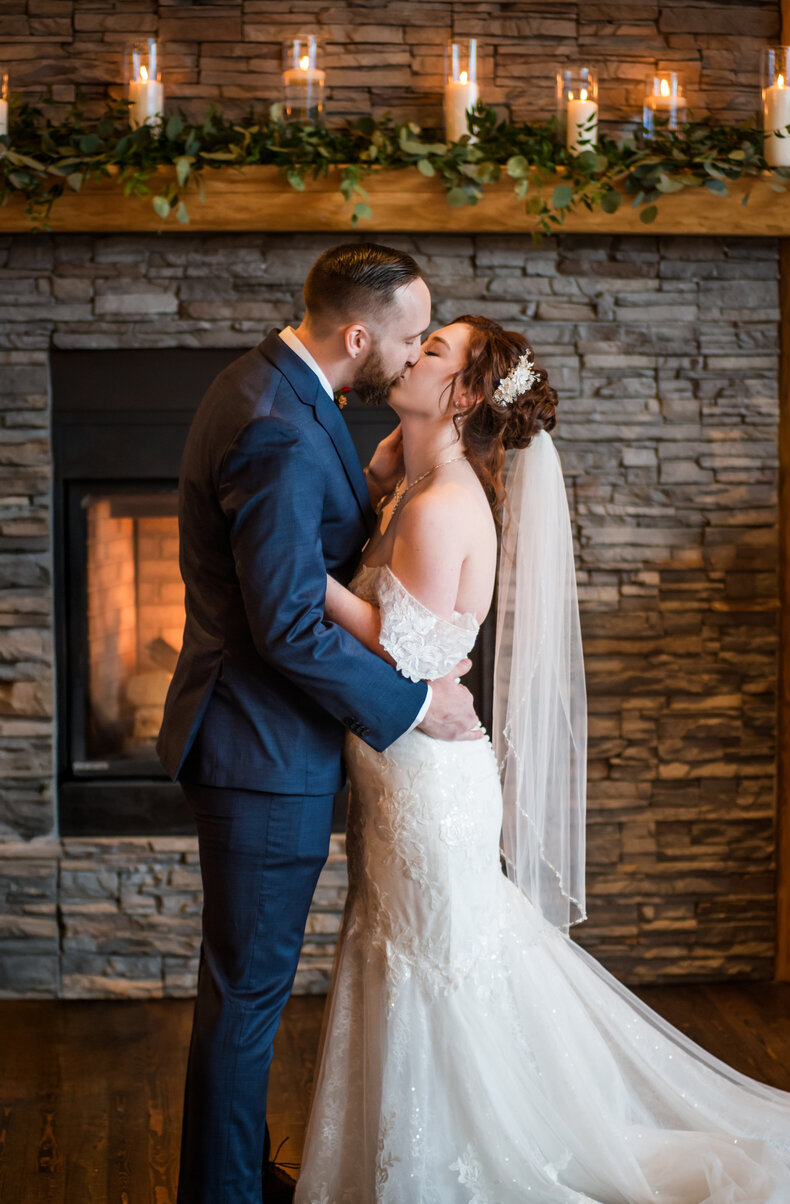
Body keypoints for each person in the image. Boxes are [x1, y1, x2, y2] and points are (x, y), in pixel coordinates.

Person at [294, 315, 790, 1203]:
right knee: (409, 955)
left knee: (433, 966)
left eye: (434, 350)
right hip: (403, 774)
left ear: (464, 394)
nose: (411, 353)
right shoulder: (418, 486)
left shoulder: (444, 503)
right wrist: (377, 475)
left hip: (427, 789)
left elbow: (403, 653)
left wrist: (304, 580)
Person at [156, 243, 482, 1204]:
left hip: (258, 741)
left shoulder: (274, 386)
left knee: (242, 994)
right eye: (411, 338)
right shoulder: (280, 427)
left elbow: (293, 549)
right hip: (259, 751)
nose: (416, 352)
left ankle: (233, 1174)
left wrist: (371, 484)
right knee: (247, 998)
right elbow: (290, 620)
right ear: (359, 337)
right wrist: (414, 705)